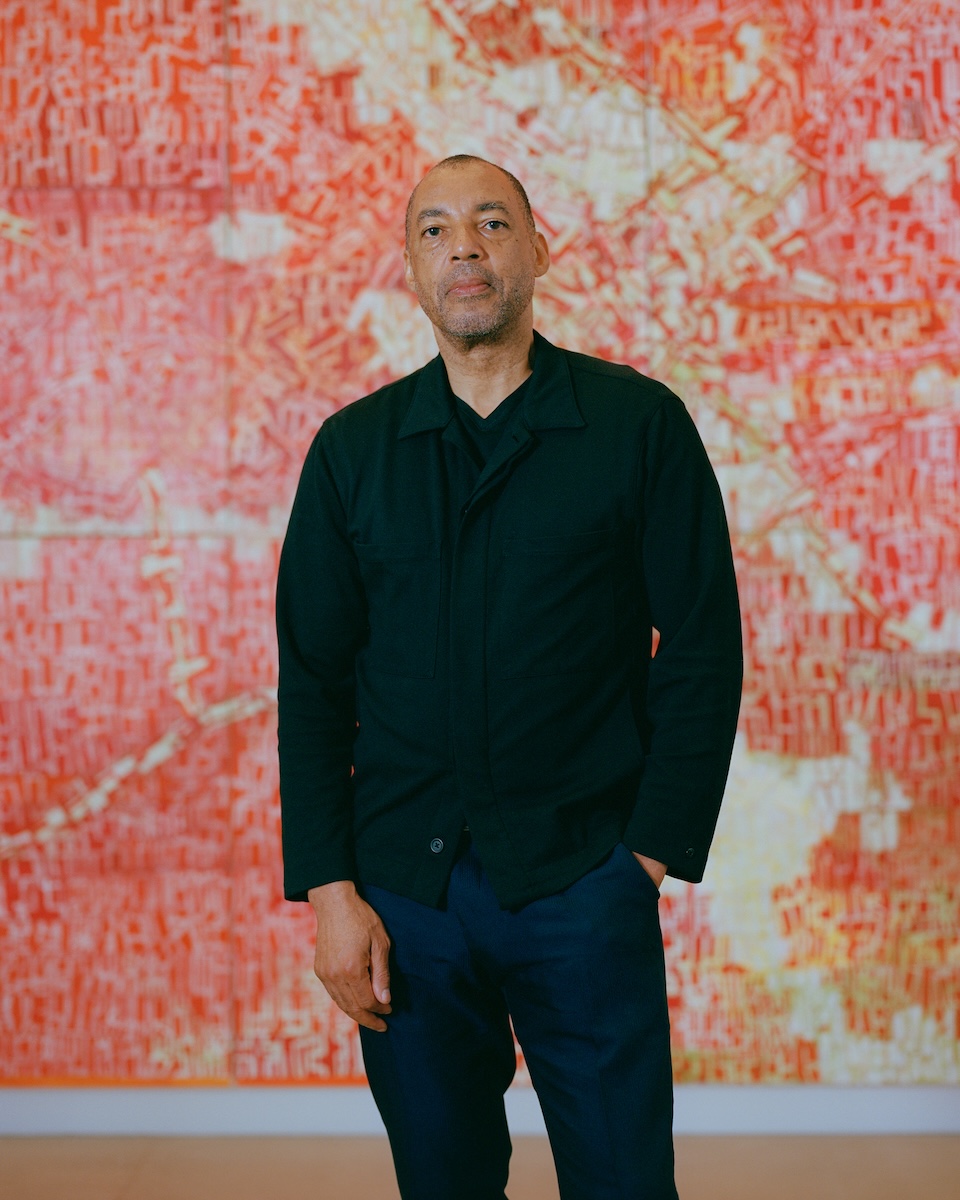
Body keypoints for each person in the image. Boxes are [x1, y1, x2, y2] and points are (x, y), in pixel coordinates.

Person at [276, 154, 743, 1200]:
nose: (466, 249)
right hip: (405, 900)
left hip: (584, 879)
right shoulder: (352, 452)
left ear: (539, 249)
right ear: (410, 265)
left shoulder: (638, 427)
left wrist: (646, 858)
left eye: (492, 223)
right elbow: (311, 684)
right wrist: (331, 890)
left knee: (625, 1183)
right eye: (436, 230)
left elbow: (702, 645)